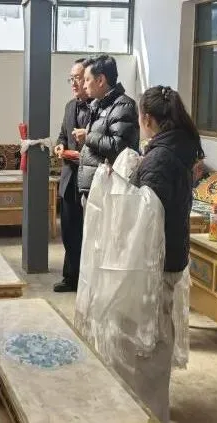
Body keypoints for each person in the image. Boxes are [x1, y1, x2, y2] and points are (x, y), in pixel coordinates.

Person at [128, 86, 204, 422]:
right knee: (159, 334)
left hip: (156, 262)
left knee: (151, 342)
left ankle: (151, 412)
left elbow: (147, 218)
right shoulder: (178, 148)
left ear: (147, 118)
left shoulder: (160, 158)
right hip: (171, 255)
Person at [52, 58, 91, 293]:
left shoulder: (98, 109)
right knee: (69, 231)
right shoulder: (69, 106)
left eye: (78, 78)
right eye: (72, 79)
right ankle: (71, 277)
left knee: (88, 232)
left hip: (89, 179)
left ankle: (87, 280)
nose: (74, 83)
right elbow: (62, 135)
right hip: (69, 178)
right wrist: (60, 146)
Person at [78, 55, 139, 199]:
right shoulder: (99, 105)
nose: (84, 85)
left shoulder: (123, 105)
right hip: (95, 188)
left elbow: (120, 147)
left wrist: (88, 137)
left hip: (108, 192)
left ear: (100, 80)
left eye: (87, 80)